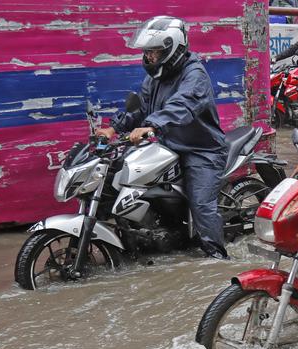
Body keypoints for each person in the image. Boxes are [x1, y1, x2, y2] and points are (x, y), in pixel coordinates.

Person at [96, 16, 229, 259]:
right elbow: (140, 108)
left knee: (201, 205)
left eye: (155, 52)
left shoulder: (194, 74)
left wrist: (152, 125)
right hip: (170, 146)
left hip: (201, 150)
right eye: (147, 52)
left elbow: (183, 104)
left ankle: (217, 257)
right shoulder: (156, 76)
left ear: (173, 49)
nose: (149, 57)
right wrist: (113, 129)